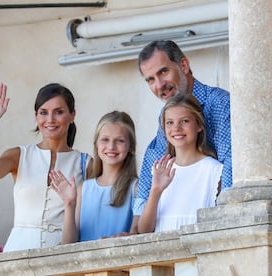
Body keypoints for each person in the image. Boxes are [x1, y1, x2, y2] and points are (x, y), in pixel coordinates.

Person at [0, 82, 90, 252]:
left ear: (72, 115)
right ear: (36, 116)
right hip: (17, 254)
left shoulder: (86, 163)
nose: (50, 119)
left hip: (62, 256)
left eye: (59, 112)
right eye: (43, 113)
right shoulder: (19, 156)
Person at [134, 40, 231, 220]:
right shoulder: (164, 115)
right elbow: (154, 160)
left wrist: (224, 221)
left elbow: (230, 165)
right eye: (151, 80)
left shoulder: (219, 103)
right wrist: (136, 224)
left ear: (184, 65)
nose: (159, 85)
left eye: (163, 72)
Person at [138, 93, 223, 233]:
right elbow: (144, 230)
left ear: (199, 125)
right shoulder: (160, 170)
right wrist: (156, 190)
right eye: (170, 122)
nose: (176, 128)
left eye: (184, 121)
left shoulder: (213, 171)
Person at [50, 111, 138, 243]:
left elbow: (137, 235)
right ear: (96, 144)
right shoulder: (83, 189)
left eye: (119, 141)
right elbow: (68, 245)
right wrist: (69, 204)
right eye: (105, 140)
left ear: (131, 146)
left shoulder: (136, 188)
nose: (111, 146)